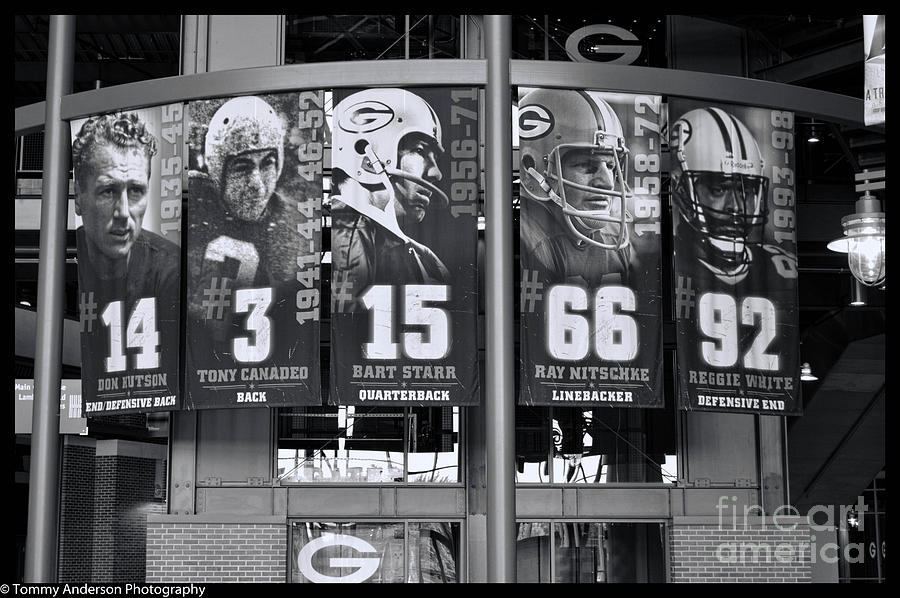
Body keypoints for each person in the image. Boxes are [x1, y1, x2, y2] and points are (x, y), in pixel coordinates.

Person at [72, 112, 179, 388]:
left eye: (135, 191)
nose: (123, 212)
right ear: (78, 197)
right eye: (108, 191)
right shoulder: (59, 264)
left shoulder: (171, 270)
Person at [186, 95, 297, 348]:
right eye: (242, 167)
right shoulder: (196, 209)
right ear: (217, 168)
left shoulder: (291, 225)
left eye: (267, 163)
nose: (257, 186)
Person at [330, 88, 450, 311]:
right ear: (367, 155)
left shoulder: (422, 256)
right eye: (419, 150)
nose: (436, 173)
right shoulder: (350, 233)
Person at [518, 88, 636, 287]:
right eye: (587, 166)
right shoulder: (531, 241)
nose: (607, 182)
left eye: (611, 166)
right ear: (532, 168)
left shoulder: (614, 235)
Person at [669, 106, 793, 286]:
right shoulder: (658, 265)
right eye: (719, 189)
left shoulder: (779, 269)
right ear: (682, 192)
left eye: (746, 191)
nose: (736, 206)